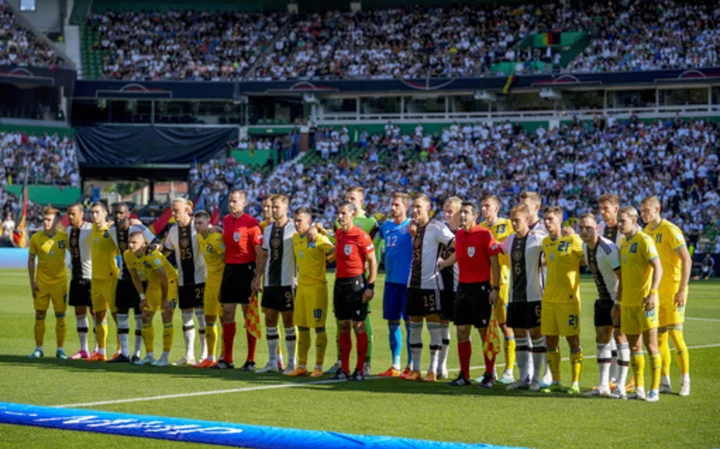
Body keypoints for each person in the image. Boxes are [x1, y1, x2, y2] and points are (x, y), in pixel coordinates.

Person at [440, 201, 500, 387]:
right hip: (463, 288)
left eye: (466, 212)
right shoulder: (459, 235)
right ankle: (464, 375)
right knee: (461, 331)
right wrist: (445, 263)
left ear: (475, 216)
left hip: (481, 289)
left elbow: (495, 262)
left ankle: (490, 374)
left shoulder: (484, 234)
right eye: (461, 213)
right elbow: (458, 255)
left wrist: (495, 288)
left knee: (484, 333)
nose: (462, 216)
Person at [640, 196, 691, 396]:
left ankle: (685, 379)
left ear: (657, 209)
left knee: (676, 336)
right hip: (655, 294)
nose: (643, 214)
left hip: (673, 291)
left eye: (646, 211)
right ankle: (664, 381)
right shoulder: (646, 232)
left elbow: (686, 259)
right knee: (658, 338)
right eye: (642, 211)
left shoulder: (670, 230)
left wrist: (682, 289)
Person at [328, 187, 379, 375]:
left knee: (358, 325)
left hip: (357, 283)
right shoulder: (340, 235)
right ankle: (345, 368)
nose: (340, 217)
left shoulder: (361, 235)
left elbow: (372, 261)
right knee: (342, 325)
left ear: (353, 214)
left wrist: (370, 286)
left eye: (343, 213)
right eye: (339, 213)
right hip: (340, 283)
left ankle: (360, 369)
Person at [405, 194, 455, 382]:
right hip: (413, 284)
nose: (415, 211)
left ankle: (432, 370)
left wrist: (446, 262)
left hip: (431, 285)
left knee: (434, 327)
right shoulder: (414, 229)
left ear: (428, 207)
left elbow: (456, 244)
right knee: (415, 326)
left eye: (419, 207)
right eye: (413, 207)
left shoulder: (437, 228)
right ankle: (416, 369)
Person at [615, 206, 664, 402]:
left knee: (651, 346)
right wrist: (618, 302)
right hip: (628, 303)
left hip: (645, 303)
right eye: (618, 220)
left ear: (634, 221)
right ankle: (639, 388)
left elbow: (658, 267)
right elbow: (624, 279)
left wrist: (652, 293)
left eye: (623, 221)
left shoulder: (644, 240)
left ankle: (655, 389)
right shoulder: (624, 242)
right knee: (634, 347)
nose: (619, 224)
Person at [577, 213, 626, 398]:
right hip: (602, 299)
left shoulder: (608, 248)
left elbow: (622, 277)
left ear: (596, 228)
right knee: (601, 337)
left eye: (588, 227)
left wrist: (619, 303)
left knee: (621, 339)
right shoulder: (584, 246)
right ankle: (603, 385)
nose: (584, 231)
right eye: (581, 228)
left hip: (616, 299)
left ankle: (620, 385)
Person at [501, 204, 548, 392]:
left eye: (517, 220)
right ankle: (523, 377)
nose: (513, 223)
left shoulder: (538, 239)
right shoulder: (510, 240)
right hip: (514, 297)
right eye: (512, 220)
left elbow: (555, 245)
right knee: (519, 335)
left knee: (536, 335)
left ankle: (537, 377)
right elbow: (495, 248)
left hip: (534, 296)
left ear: (527, 220)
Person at [215, 190, 263, 370]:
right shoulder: (226, 220)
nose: (232, 204)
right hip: (230, 270)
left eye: (235, 201)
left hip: (246, 270)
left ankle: (250, 360)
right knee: (227, 313)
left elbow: (259, 253)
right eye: (230, 201)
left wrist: (257, 277)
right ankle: (227, 359)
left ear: (244, 203)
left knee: (248, 315)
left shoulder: (252, 224)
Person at [541, 206, 585, 395]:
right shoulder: (545, 242)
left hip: (568, 300)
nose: (547, 222)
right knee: (550, 341)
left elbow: (587, 259)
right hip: (549, 299)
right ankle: (556, 380)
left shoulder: (572, 240)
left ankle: (575, 382)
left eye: (551, 219)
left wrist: (576, 237)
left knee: (572, 340)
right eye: (545, 219)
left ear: (560, 221)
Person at [287, 207, 334, 377]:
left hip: (317, 288)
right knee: (302, 326)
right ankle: (301, 365)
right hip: (302, 288)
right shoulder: (295, 238)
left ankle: (319, 367)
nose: (297, 223)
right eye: (295, 220)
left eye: (300, 220)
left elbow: (335, 250)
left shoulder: (318, 238)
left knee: (319, 327)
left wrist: (325, 260)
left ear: (308, 221)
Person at [255, 195, 298, 374]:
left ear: (286, 207)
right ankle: (273, 361)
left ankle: (291, 362)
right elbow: (264, 254)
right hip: (271, 283)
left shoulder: (294, 228)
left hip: (289, 282)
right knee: (270, 319)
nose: (273, 210)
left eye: (277, 207)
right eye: (272, 207)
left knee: (289, 321)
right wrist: (258, 276)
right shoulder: (268, 230)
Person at [109, 203, 156, 364]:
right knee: (120, 314)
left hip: (141, 280)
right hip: (123, 278)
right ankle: (124, 353)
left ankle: (136, 354)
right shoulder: (111, 231)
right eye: (115, 213)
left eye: (121, 212)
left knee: (138, 317)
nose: (118, 216)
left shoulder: (139, 229)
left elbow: (156, 244)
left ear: (128, 214)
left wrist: (148, 261)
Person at [124, 230, 179, 366]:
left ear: (144, 243)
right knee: (146, 316)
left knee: (166, 315)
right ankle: (149, 355)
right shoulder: (128, 255)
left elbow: (164, 277)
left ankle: (165, 357)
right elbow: (135, 277)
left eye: (134, 242)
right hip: (153, 285)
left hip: (169, 282)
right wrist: (142, 297)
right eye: (129, 242)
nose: (131, 245)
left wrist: (165, 300)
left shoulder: (152, 255)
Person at [596, 193, 634, 388]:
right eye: (600, 208)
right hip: (606, 290)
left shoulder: (628, 230)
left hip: (625, 290)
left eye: (606, 209)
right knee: (608, 335)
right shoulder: (600, 228)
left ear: (616, 209)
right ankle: (610, 380)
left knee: (622, 335)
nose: (602, 213)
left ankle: (624, 380)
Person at [164, 199, 208, 366]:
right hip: (183, 280)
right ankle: (189, 355)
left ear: (187, 209)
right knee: (186, 317)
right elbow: (166, 250)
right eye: (172, 210)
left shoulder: (197, 228)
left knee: (202, 317)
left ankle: (204, 354)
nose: (173, 214)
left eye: (176, 210)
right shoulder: (174, 231)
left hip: (200, 279)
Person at [480, 195, 516, 384]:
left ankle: (509, 370)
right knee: (485, 328)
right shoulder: (480, 228)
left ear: (496, 208)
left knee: (505, 326)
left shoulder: (508, 225)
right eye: (483, 206)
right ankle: (490, 370)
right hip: (483, 282)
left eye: (488, 206)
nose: (484, 209)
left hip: (503, 282)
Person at [377, 192, 413, 377]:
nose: (393, 208)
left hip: (407, 283)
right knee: (392, 322)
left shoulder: (412, 227)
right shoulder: (387, 226)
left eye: (397, 205)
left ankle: (411, 365)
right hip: (390, 282)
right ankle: (395, 365)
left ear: (406, 207)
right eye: (392, 204)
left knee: (409, 324)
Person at [27, 206, 68, 359]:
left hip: (60, 283)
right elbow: (31, 261)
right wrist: (32, 283)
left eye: (49, 220)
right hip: (41, 283)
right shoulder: (36, 238)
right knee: (39, 315)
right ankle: (38, 348)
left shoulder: (64, 237)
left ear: (56, 221)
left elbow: (77, 251)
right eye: (44, 219)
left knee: (60, 316)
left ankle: (60, 349)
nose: (45, 222)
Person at [193, 210, 225, 368]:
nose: (197, 226)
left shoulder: (216, 238)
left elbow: (226, 262)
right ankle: (210, 357)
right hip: (209, 282)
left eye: (201, 223)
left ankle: (225, 356)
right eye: (196, 223)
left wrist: (224, 286)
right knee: (209, 319)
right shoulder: (200, 237)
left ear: (207, 223)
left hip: (221, 282)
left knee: (224, 319)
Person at [88, 202, 120, 362]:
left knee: (116, 316)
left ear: (105, 213)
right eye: (92, 212)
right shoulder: (91, 229)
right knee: (98, 315)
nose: (94, 215)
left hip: (110, 279)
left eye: (97, 212)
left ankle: (121, 350)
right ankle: (101, 351)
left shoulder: (112, 231)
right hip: (95, 279)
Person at [65, 203, 94, 360]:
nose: (70, 217)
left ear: (82, 214)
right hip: (76, 277)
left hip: (91, 277)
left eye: (73, 214)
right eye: (69, 214)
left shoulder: (90, 229)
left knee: (96, 313)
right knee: (79, 313)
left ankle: (99, 349)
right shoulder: (68, 231)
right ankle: (84, 350)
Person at [437, 197, 461, 380]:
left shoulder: (463, 233)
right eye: (445, 211)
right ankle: (441, 364)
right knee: (441, 324)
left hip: (462, 286)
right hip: (443, 285)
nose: (446, 214)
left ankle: (465, 368)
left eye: (450, 211)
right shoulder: (440, 231)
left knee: (463, 328)